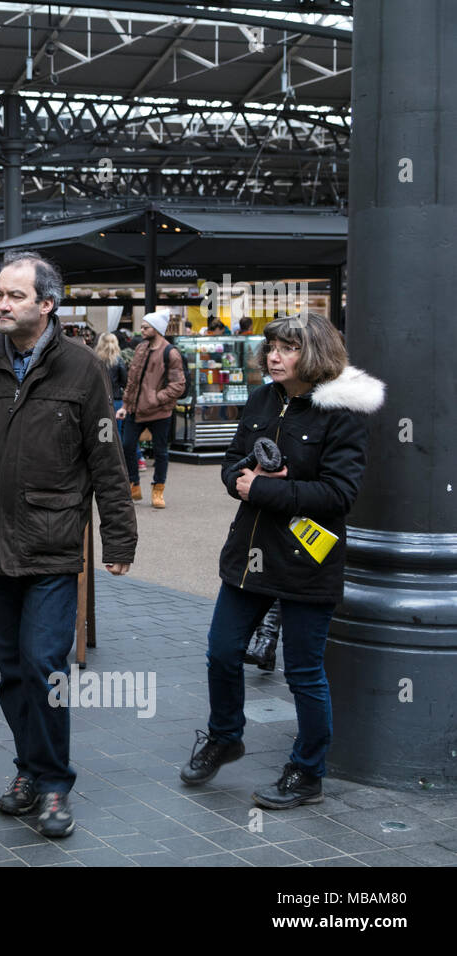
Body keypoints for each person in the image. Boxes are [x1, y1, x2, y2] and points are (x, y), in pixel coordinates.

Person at [0, 250, 137, 839]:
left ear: (47, 303)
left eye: (15, 295)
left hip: (52, 542)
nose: (2, 304)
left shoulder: (83, 370)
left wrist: (119, 536)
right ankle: (27, 771)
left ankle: (55, 782)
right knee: (13, 671)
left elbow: (106, 462)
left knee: (44, 665)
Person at [179, 313, 384, 810]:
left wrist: (268, 487)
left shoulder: (340, 412)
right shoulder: (262, 399)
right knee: (222, 651)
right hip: (249, 553)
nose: (273, 355)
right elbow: (233, 462)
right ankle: (225, 736)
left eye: (287, 347)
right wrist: (241, 477)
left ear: (312, 354)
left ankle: (307, 772)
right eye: (272, 346)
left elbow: (340, 493)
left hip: (308, 558)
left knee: (303, 672)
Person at [117, 310, 186, 509]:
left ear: (156, 329)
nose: (142, 330)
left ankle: (158, 490)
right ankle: (133, 484)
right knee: (127, 446)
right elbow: (132, 380)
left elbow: (178, 384)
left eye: (145, 327)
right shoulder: (140, 348)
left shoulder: (170, 352)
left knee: (160, 452)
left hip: (159, 412)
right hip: (135, 410)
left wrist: (157, 398)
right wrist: (125, 405)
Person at [95, 332, 128, 437]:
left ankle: (105, 453)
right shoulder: (118, 361)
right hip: (115, 400)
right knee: (117, 432)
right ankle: (117, 453)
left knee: (104, 434)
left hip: (98, 400)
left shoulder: (94, 360)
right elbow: (125, 382)